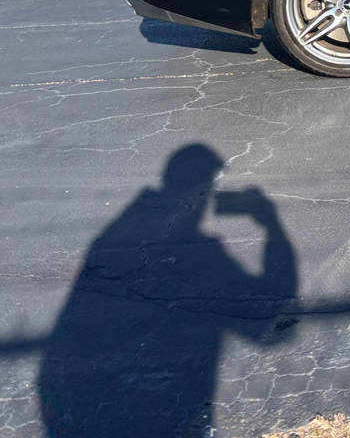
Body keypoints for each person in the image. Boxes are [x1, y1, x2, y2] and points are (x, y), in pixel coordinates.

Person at [37, 144, 298, 438]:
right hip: (169, 413)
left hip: (85, 410)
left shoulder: (113, 239)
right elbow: (271, 327)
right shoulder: (202, 254)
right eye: (210, 184)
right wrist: (273, 227)